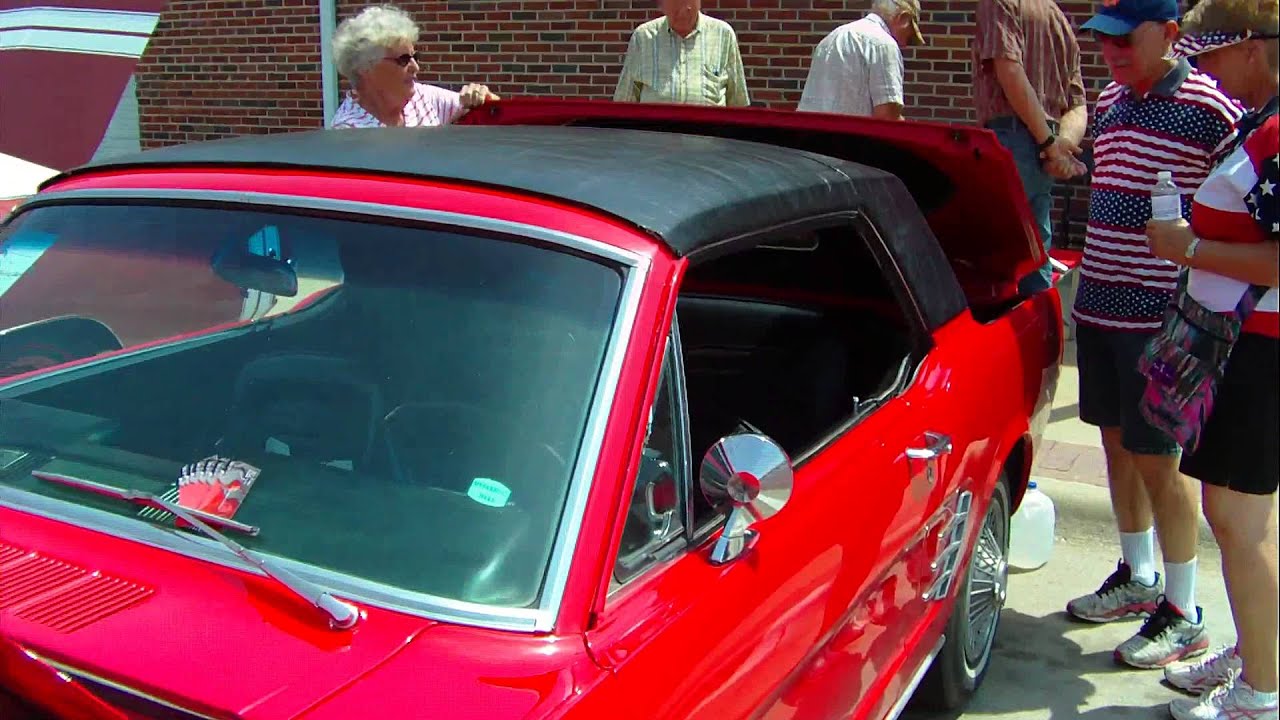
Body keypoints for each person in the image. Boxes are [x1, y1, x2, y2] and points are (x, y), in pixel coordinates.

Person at [1066, 0, 1243, 670]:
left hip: (1162, 320)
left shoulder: (1211, 106)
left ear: (1170, 34)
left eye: (1124, 39)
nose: (1109, 51)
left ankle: (1185, 609)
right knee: (1117, 446)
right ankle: (1138, 576)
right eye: (1102, 39)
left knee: (1160, 462)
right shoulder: (1113, 99)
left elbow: (1241, 212)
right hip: (1102, 306)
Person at [1143, 2, 1279, 717]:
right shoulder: (1259, 121)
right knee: (1236, 522)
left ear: (1253, 49)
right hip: (1239, 347)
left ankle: (1261, 691)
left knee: (1240, 523)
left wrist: (1190, 248)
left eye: (1214, 55)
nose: (1206, 71)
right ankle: (1255, 655)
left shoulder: (1278, 130)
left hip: (1258, 352)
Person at [972, 0, 1088, 294]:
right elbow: (1078, 105)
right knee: (1035, 256)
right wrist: (1060, 146)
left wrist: (1051, 145)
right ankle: (1037, 332)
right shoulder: (1059, 18)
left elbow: (1008, 70)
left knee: (994, 265)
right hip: (1043, 143)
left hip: (1010, 139)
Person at [329, 5, 498, 129]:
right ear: (365, 67)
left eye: (415, 57)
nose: (415, 67)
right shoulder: (348, 131)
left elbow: (496, 112)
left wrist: (483, 97)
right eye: (403, 59)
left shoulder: (424, 97)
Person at [795, 0, 925, 120]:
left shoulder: (832, 37)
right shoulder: (884, 44)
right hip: (849, 141)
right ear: (903, 18)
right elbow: (887, 116)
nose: (904, 44)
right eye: (910, 35)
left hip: (807, 137)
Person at [612, 0, 749, 106]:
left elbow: (737, 103)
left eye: (689, 2)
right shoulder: (643, 37)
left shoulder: (723, 35)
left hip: (709, 138)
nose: (685, 9)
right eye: (677, 3)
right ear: (662, 4)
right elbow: (624, 101)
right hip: (655, 138)